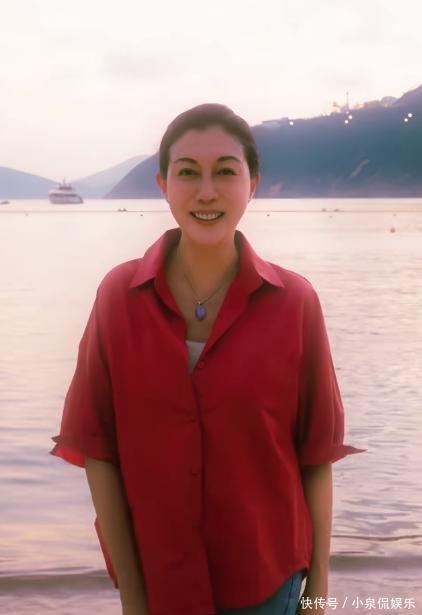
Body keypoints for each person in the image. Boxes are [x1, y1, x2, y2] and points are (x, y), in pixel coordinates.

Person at [49, 103, 365, 615]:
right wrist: (133, 596)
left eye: (225, 171)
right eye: (188, 173)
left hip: (268, 584)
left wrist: (318, 595)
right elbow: (97, 449)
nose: (207, 191)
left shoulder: (294, 303)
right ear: (163, 184)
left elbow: (316, 455)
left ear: (252, 183)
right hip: (161, 584)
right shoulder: (118, 298)